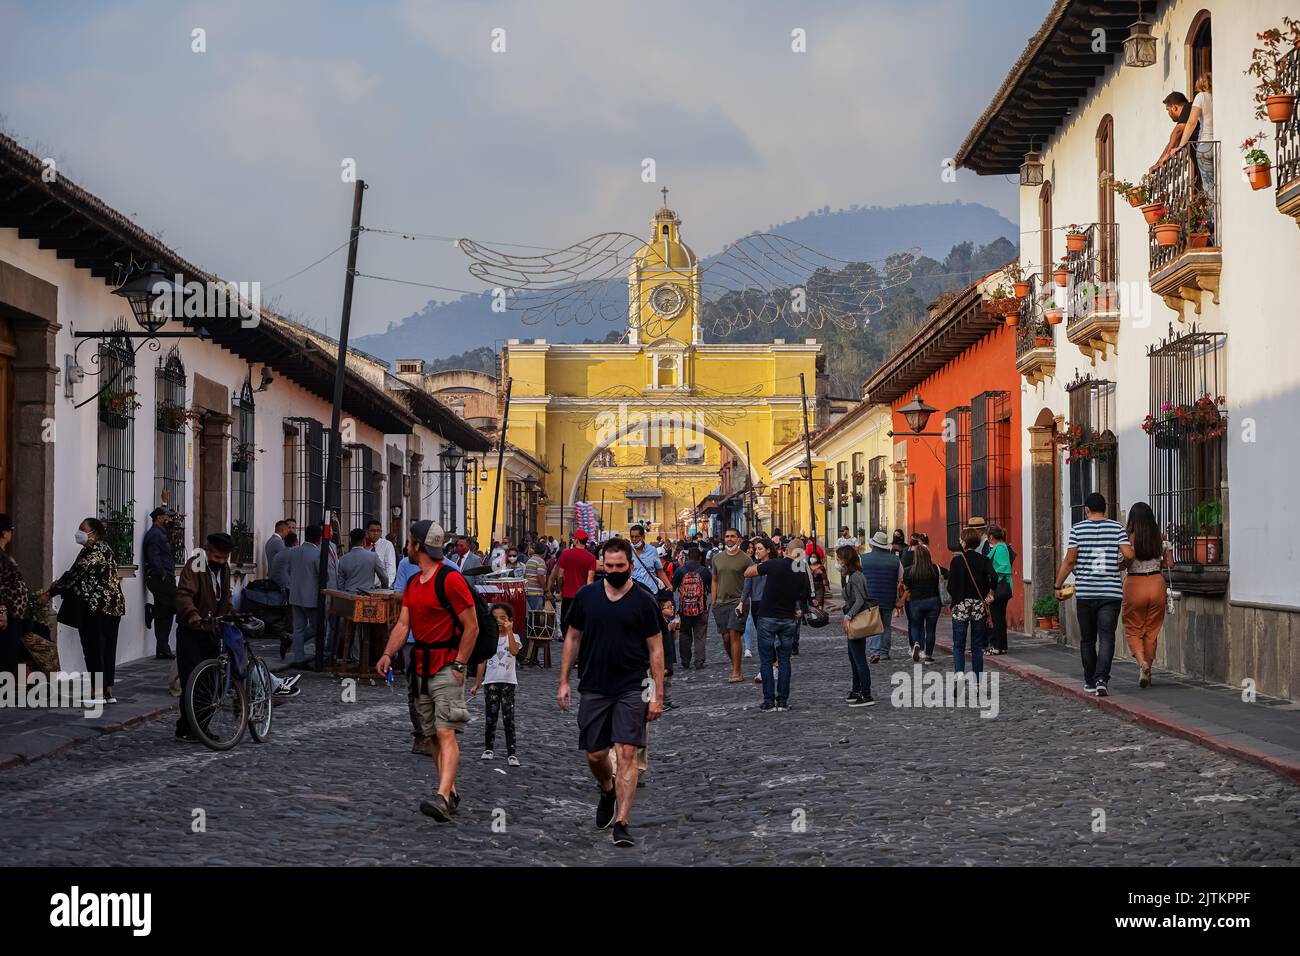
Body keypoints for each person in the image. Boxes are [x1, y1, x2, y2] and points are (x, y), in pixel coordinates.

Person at [557, 537, 665, 848]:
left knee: (627, 753)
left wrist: (656, 694)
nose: (615, 570)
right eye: (610, 566)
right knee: (595, 754)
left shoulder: (644, 601)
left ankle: (622, 821)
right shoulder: (587, 597)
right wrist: (564, 680)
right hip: (594, 684)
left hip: (632, 685)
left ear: (631, 566)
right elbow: (573, 638)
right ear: (603, 564)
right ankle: (606, 787)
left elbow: (656, 649)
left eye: (621, 566)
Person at [376, 520, 478, 823]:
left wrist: (460, 662)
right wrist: (387, 653)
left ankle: (443, 796)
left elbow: (471, 625)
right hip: (420, 666)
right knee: (432, 733)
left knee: (447, 731)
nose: (406, 546)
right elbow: (404, 624)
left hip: (447, 664)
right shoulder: (412, 583)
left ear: (418, 545)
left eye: (409, 541)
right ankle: (451, 791)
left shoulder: (451, 580)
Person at [1054, 492, 1132, 697]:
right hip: (1111, 592)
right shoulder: (1116, 528)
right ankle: (1102, 680)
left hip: (1087, 593)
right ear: (1105, 508)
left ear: (1086, 510)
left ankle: (1089, 680)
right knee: (1107, 638)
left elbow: (1070, 561)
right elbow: (1129, 554)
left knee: (1088, 639)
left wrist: (1058, 585)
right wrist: (1123, 564)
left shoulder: (1077, 529)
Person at [48, 517, 124, 705]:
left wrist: (51, 591)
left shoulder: (92, 552)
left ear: (94, 533)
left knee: (93, 649)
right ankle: (108, 692)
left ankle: (98, 692)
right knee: (107, 649)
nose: (79, 532)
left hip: (95, 608)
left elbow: (75, 574)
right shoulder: (106, 549)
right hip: (113, 607)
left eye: (83, 529)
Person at [174, 533, 237, 740]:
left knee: (212, 681)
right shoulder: (196, 565)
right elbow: (184, 594)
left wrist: (231, 615)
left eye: (224, 558)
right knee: (193, 681)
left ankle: (194, 727)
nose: (220, 562)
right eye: (217, 557)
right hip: (192, 632)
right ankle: (192, 728)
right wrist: (193, 616)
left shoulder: (225, 569)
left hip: (213, 630)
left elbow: (225, 595)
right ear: (208, 551)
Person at [744, 537, 810, 712]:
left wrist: (758, 565)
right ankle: (782, 701)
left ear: (787, 550)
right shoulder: (801, 572)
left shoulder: (775, 564)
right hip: (788, 619)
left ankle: (768, 701)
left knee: (766, 660)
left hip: (767, 617)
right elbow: (804, 595)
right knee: (785, 661)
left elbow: (748, 572)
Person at [1121, 502, 1173, 690]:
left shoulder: (1128, 540)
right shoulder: (1160, 539)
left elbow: (1123, 563)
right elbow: (1170, 565)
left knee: (1133, 628)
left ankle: (1142, 663)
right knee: (1151, 630)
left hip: (1135, 585)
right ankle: (1148, 672)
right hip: (1157, 584)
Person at [471, 601, 521, 766]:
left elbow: (514, 651)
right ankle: (488, 748)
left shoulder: (514, 637)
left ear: (510, 619)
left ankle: (511, 753)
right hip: (490, 682)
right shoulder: (488, 639)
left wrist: (510, 630)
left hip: (508, 682)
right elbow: (482, 662)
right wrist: (477, 683)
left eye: (503, 618)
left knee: (509, 718)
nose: (499, 621)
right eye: (495, 618)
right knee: (490, 717)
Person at [948, 528, 995, 677]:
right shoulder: (984, 560)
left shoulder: (956, 561)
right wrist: (990, 592)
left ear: (964, 542)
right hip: (978, 605)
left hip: (961, 604)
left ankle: (959, 674)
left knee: (959, 645)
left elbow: (950, 586)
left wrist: (956, 597)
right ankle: (977, 681)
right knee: (977, 646)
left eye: (961, 539)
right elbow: (994, 577)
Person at [708, 527, 750, 682]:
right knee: (725, 637)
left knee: (734, 633)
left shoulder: (746, 559)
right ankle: (735, 663)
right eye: (727, 536)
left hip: (739, 602)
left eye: (733, 536)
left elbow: (750, 580)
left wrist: (745, 600)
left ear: (739, 539)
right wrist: (713, 601)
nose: (730, 539)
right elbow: (714, 580)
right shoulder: (717, 558)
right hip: (721, 603)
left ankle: (736, 672)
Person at [1176, 73, 1215, 238]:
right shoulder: (1217, 96)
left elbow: (1191, 122)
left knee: (1208, 187)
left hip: (1205, 145)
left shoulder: (1201, 97)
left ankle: (1212, 223)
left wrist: (1180, 145)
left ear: (1201, 84)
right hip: (1217, 143)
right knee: (1217, 183)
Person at [836, 544, 875, 707]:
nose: (837, 562)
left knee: (859, 659)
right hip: (854, 619)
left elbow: (860, 600)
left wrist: (848, 615)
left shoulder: (856, 576)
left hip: (857, 620)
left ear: (845, 560)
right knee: (853, 657)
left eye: (838, 559)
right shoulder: (850, 576)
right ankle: (856, 689)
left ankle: (866, 693)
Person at [285, 523, 328, 668]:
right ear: (319, 538)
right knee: (319, 628)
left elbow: (290, 570)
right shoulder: (317, 554)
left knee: (298, 628)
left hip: (295, 594)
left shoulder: (294, 551)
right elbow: (323, 576)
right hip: (311, 597)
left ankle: (298, 658)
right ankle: (318, 656)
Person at [860, 531, 903, 663]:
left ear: (873, 545)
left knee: (873, 624)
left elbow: (857, 577)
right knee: (886, 625)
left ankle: (875, 651)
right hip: (888, 597)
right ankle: (884, 652)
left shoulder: (863, 558)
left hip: (870, 597)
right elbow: (901, 578)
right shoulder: (896, 560)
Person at [141, 507, 177, 659]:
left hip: (164, 577)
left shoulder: (161, 533)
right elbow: (154, 556)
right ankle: (151, 610)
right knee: (173, 606)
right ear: (159, 518)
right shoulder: (155, 535)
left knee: (165, 614)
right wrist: (163, 575)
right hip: (159, 578)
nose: (171, 519)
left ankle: (162, 648)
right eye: (168, 517)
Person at [0, 514, 31, 676]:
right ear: (4, 532)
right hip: (8, 612)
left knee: (10, 651)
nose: (12, 534)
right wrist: (2, 611)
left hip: (15, 612)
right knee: (6, 652)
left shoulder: (4, 554)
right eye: (10, 530)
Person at [549, 530, 596, 636]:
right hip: (583, 597)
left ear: (576, 540)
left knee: (566, 624)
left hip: (568, 595)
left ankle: (568, 644)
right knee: (581, 625)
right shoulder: (591, 558)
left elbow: (560, 575)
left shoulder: (566, 554)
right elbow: (590, 580)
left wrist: (560, 589)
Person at [672, 545, 711, 670]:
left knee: (684, 634)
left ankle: (685, 661)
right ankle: (699, 662)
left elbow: (673, 587)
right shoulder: (704, 571)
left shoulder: (680, 570)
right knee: (700, 636)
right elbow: (711, 587)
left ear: (688, 557)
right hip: (701, 608)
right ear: (700, 557)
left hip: (684, 609)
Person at [903, 541, 943, 664]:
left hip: (916, 602)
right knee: (931, 629)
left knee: (915, 625)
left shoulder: (909, 571)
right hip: (933, 602)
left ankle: (916, 643)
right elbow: (948, 575)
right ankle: (928, 656)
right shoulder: (936, 568)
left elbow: (907, 586)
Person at [987, 525, 1014, 656]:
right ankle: (1002, 646)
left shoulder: (1000, 548)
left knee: (997, 618)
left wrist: (992, 573)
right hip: (1001, 585)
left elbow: (1005, 567)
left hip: (999, 587)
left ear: (991, 537)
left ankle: (998, 646)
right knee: (999, 618)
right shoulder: (1001, 547)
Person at [337, 528, 389, 593]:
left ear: (350, 541)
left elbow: (340, 583)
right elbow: (384, 577)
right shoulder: (373, 556)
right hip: (367, 595)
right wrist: (384, 590)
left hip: (349, 595)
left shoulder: (343, 559)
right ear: (364, 541)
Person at [628, 525, 673, 596]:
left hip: (651, 592)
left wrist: (669, 585)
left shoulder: (652, 550)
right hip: (634, 592)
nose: (634, 539)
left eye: (636, 537)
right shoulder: (627, 551)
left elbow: (659, 570)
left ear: (643, 537)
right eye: (632, 537)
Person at [1153, 91, 1193, 170]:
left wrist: (1167, 155)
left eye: (1168, 110)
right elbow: (1173, 141)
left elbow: (1177, 131)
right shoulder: (1185, 119)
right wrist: (1158, 163)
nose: (1168, 113)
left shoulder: (1188, 107)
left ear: (1174, 107)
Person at [522, 542, 548, 611]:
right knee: (537, 616)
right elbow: (540, 576)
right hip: (536, 593)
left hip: (528, 592)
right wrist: (546, 590)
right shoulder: (540, 561)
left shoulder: (529, 560)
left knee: (530, 616)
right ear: (544, 551)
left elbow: (525, 576)